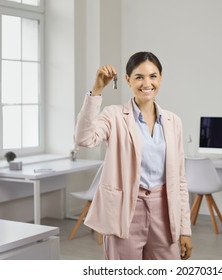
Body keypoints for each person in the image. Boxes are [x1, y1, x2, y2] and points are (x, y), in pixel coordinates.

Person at [74, 51, 192, 260]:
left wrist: (185, 230)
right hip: (125, 210)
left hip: (164, 210)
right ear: (128, 80)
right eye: (139, 77)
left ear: (160, 78)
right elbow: (84, 139)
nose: (147, 83)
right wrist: (97, 90)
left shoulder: (173, 122)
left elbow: (180, 180)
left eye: (153, 76)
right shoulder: (114, 115)